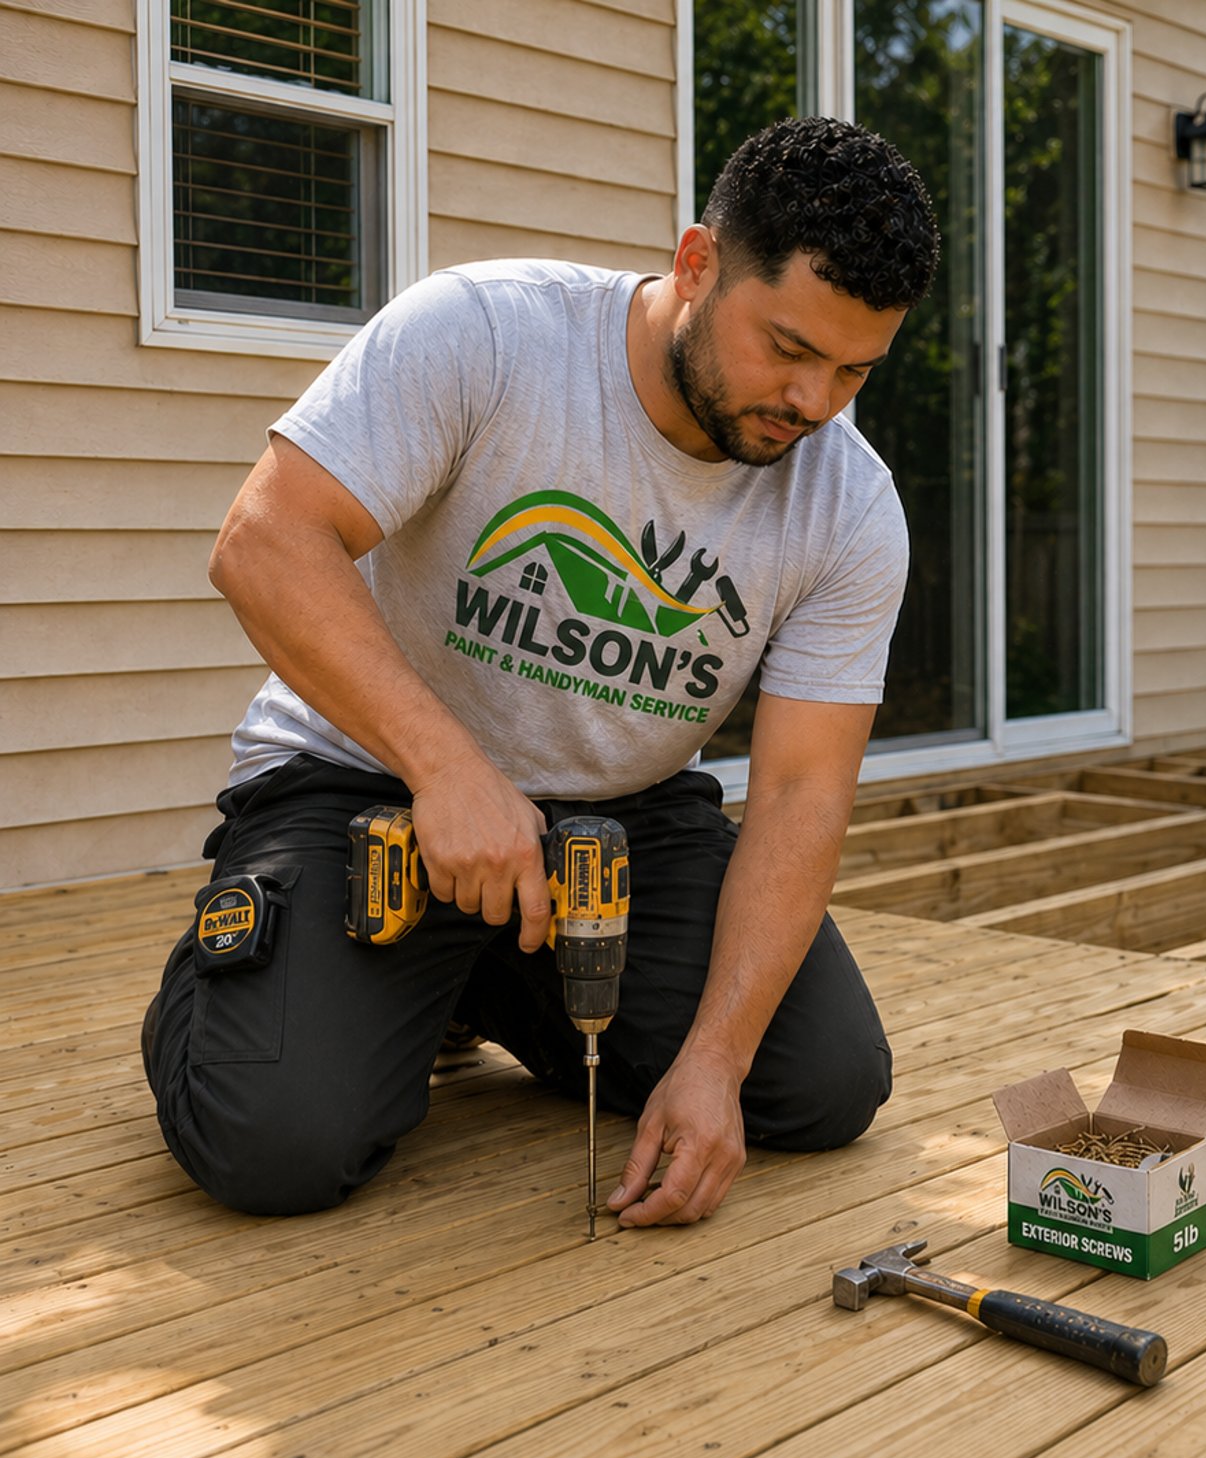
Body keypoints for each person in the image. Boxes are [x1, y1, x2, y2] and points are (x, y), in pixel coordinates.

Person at [141, 117, 942, 1227]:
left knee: (819, 1082)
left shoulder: (848, 506)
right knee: (273, 1139)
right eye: (790, 348)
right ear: (697, 264)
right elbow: (264, 542)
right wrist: (446, 772)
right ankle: (275, 995)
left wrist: (712, 1061)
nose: (813, 403)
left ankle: (477, 981)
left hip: (623, 824)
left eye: (854, 370)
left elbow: (805, 790)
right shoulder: (486, 335)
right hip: (371, 787)